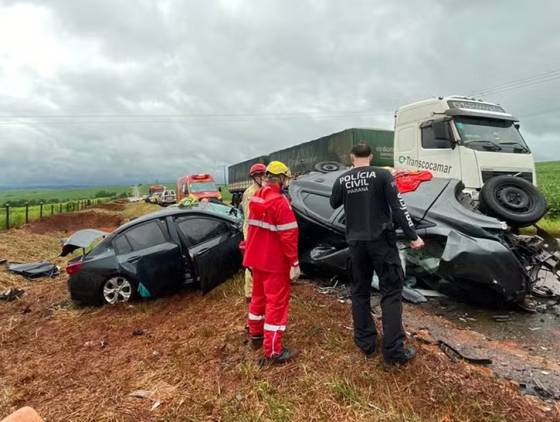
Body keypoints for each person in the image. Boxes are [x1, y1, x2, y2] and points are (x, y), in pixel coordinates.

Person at [330, 143, 424, 365]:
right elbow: (398, 207)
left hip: (356, 244)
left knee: (359, 292)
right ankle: (393, 352)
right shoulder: (383, 175)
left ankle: (366, 343)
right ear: (371, 156)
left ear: (352, 157)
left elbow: (334, 203)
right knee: (391, 293)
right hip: (381, 242)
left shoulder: (342, 179)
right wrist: (413, 236)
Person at [244, 160, 300, 364]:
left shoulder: (257, 197)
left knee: (258, 299)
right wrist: (294, 263)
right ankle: (273, 350)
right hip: (274, 263)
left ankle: (256, 334)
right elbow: (289, 236)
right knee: (276, 304)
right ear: (283, 178)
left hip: (256, 259)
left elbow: (253, 229)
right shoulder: (279, 202)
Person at [241, 163, 267, 302]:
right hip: (252, 232)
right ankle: (250, 294)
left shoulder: (262, 190)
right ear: (254, 177)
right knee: (252, 265)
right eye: (260, 175)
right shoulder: (251, 193)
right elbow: (251, 217)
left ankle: (258, 292)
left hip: (258, 231)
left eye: (264, 174)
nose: (263, 177)